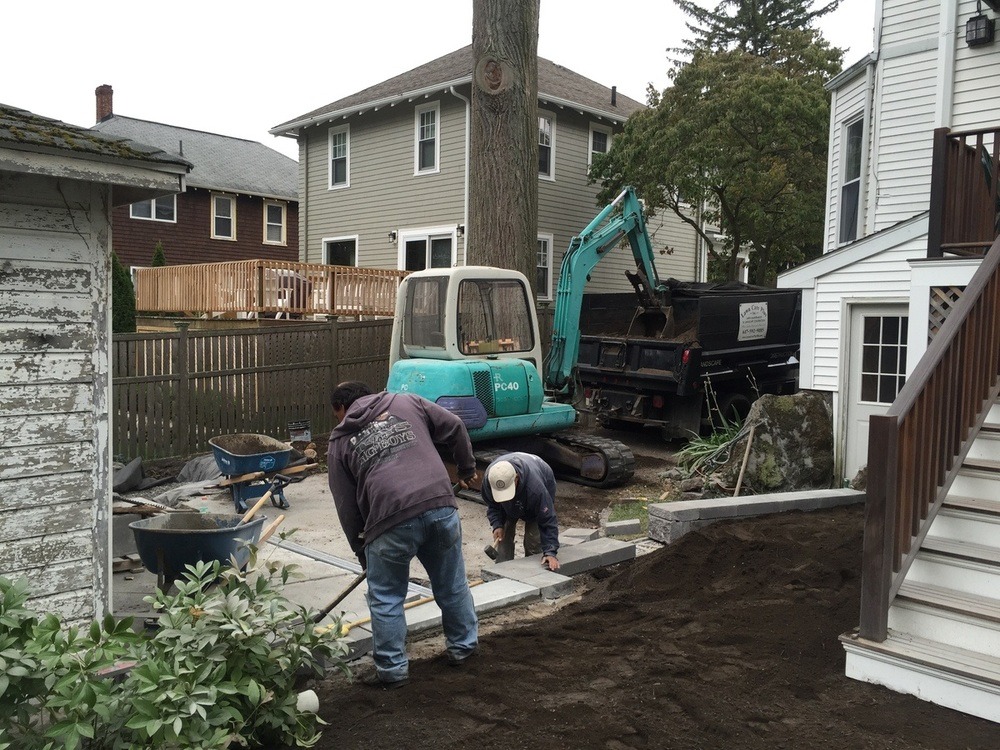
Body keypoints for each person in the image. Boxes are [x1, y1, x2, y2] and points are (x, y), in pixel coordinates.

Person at [327, 381, 479, 689]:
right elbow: (455, 425)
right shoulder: (406, 401)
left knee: (386, 597)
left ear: (340, 409)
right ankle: (463, 648)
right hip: (438, 505)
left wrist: (361, 550)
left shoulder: (340, 441)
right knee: (451, 584)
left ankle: (393, 671)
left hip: (389, 520)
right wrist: (466, 469)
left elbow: (346, 506)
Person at [481, 452, 560, 571]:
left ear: (516, 478)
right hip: (520, 479)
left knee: (533, 540)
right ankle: (503, 570)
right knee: (503, 534)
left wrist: (550, 551)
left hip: (541, 475)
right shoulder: (490, 480)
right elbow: (492, 505)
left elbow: (547, 519)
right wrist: (497, 524)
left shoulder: (536, 490)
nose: (505, 498)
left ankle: (533, 572)